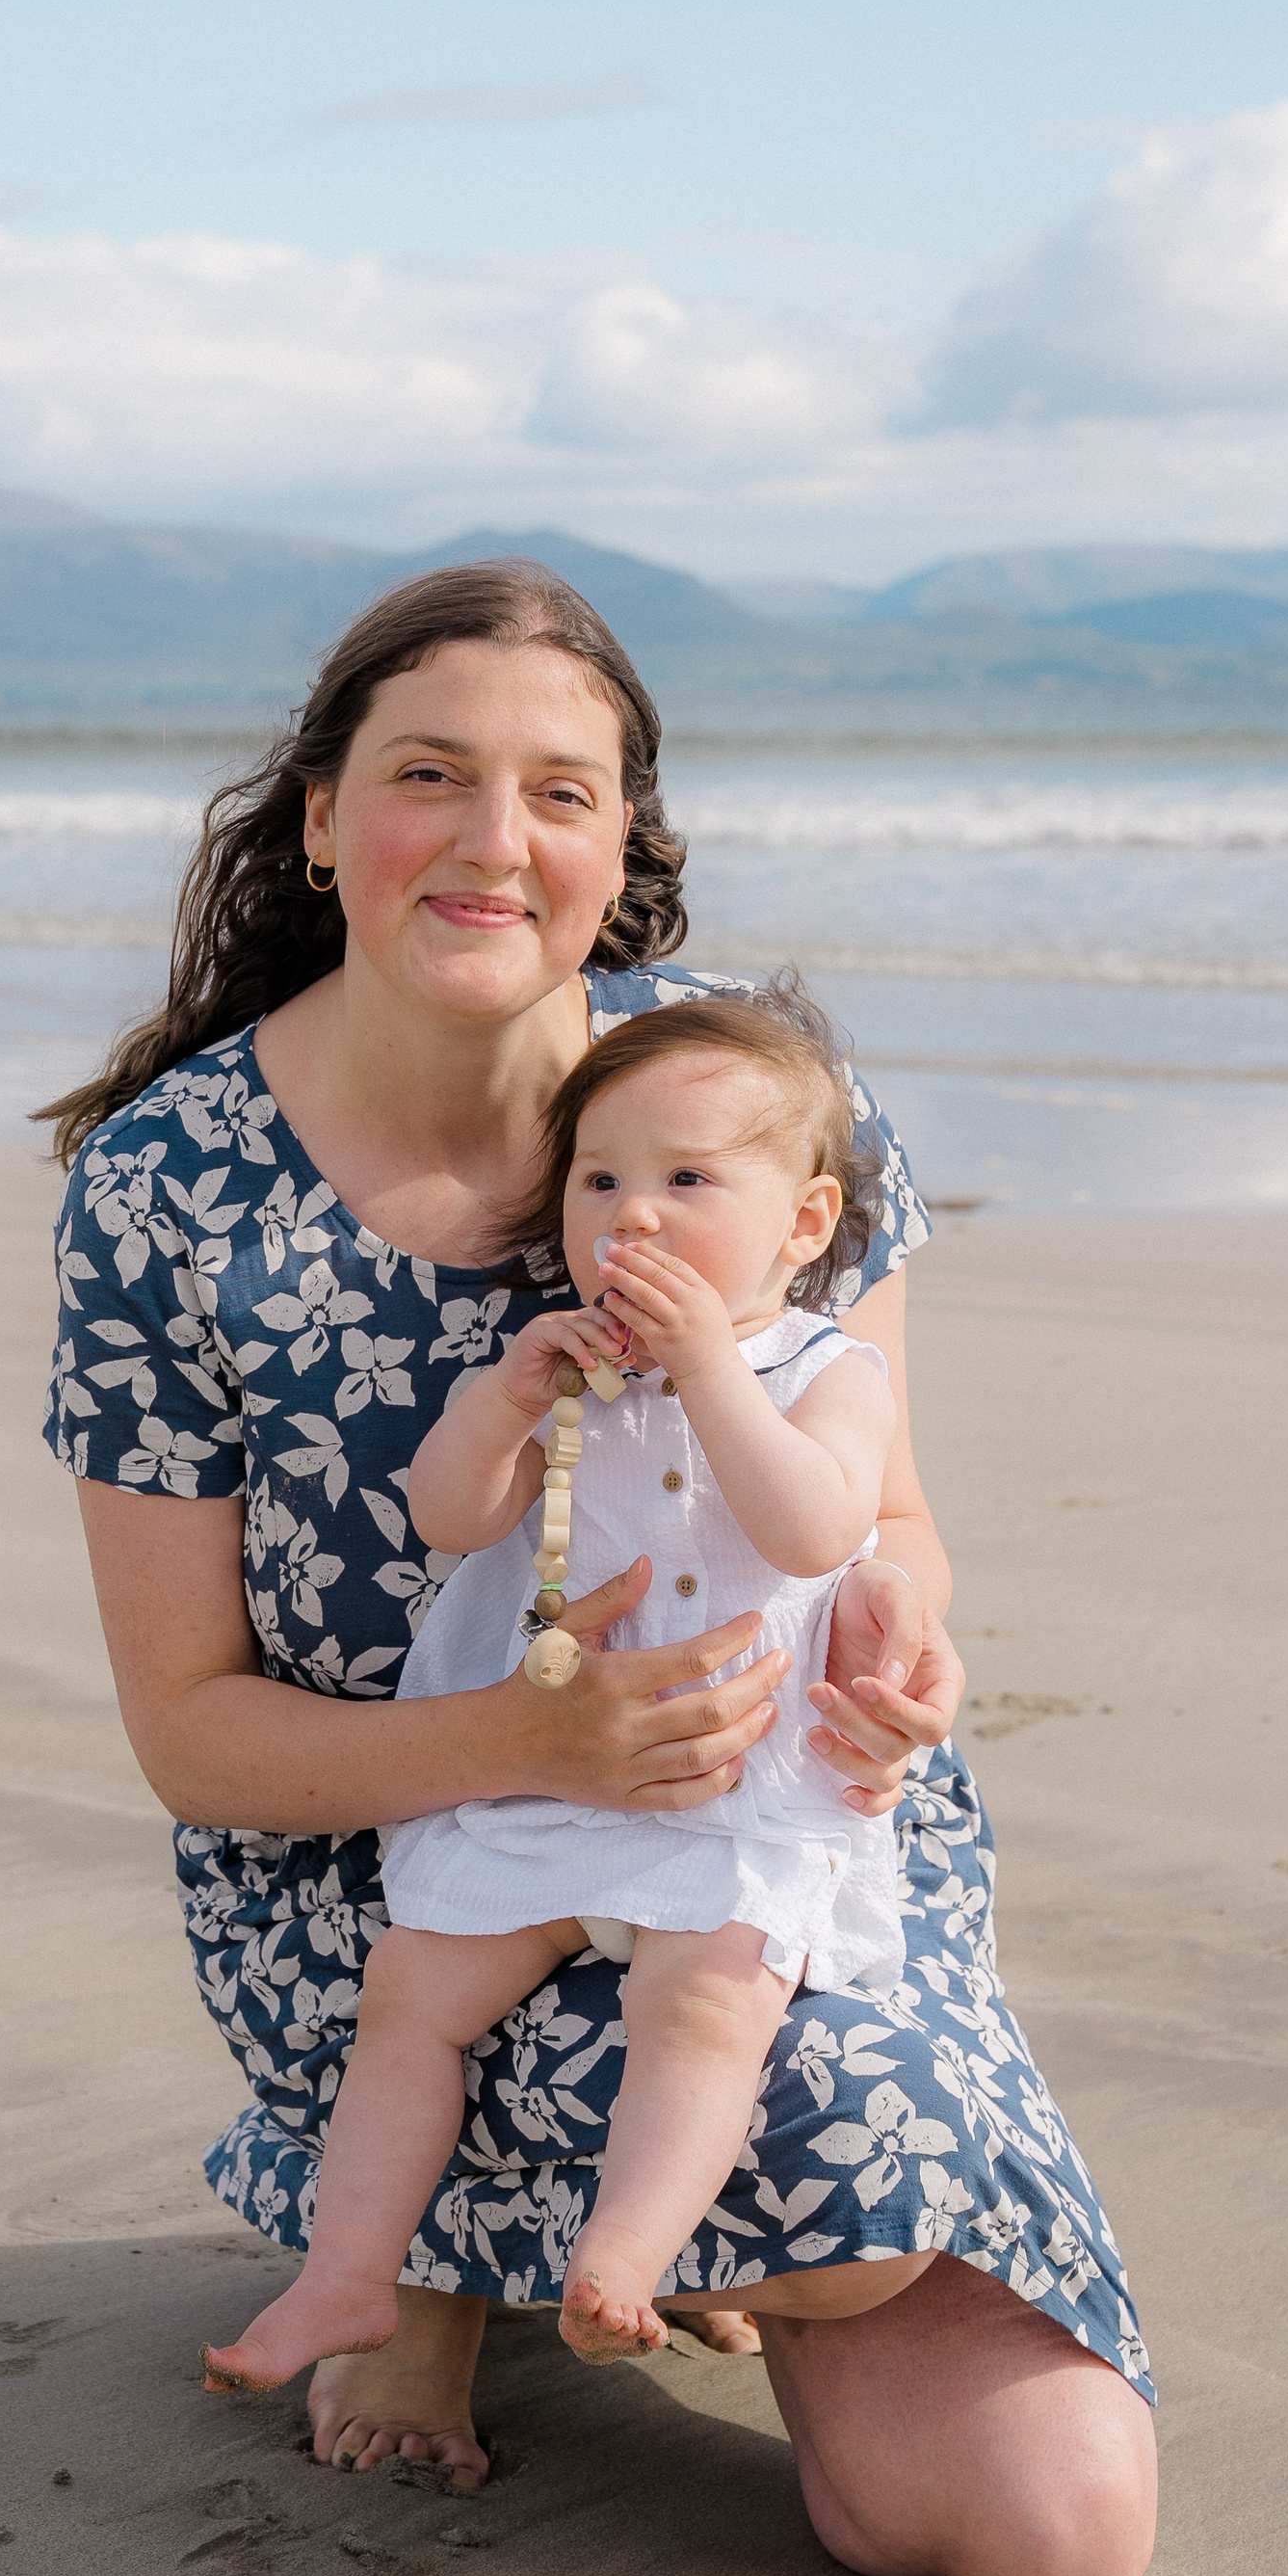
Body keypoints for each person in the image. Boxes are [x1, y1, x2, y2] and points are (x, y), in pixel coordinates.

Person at [42, 558, 1158, 2576]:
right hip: (396, 1878)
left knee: (1052, 2540)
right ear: (317, 818)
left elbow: (879, 1516)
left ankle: (680, 2246)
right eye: (430, 777)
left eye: (561, 791)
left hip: (751, 1842)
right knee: (564, 2087)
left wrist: (907, 1647)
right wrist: (527, 1741)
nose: (494, 841)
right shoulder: (167, 1189)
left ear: (623, 836)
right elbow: (190, 1738)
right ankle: (436, 2266)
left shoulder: (744, 1101)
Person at [203, 989, 913, 2389]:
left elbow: (816, 1528)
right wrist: (503, 1405)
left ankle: (630, 2255)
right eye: (601, 1181)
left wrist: (711, 1365)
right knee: (413, 1994)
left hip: (729, 1796)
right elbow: (450, 1518)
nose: (630, 1218)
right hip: (541, 1775)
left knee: (705, 2007)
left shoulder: (830, 1371)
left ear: (807, 1226)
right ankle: (348, 2276)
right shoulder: (561, 1365)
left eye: (687, 1182)